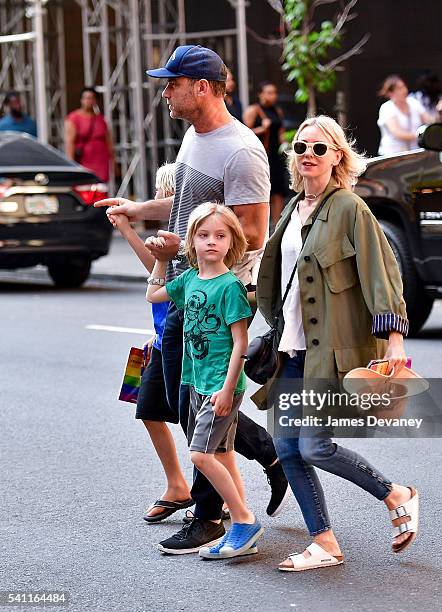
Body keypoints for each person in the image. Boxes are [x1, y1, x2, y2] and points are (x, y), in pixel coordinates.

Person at [95, 45, 290, 554]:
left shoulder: (241, 150)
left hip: (216, 294)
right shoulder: (193, 138)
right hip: (182, 287)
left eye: (171, 83)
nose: (164, 91)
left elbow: (252, 228)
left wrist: (184, 244)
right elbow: (184, 204)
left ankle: (213, 516)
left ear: (201, 87)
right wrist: (139, 210)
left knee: (197, 407)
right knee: (172, 402)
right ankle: (255, 469)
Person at [252, 115, 419, 572]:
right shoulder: (291, 210)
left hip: (328, 351)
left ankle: (396, 494)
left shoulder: (349, 208)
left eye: (320, 149)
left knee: (314, 446)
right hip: (289, 350)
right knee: (287, 450)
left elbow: (382, 275)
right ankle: (324, 541)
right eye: (302, 147)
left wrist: (394, 341)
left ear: (338, 157)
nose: (309, 154)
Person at [147, 202, 264, 559]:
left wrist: (228, 389)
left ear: (232, 242)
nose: (211, 242)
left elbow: (241, 342)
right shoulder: (189, 280)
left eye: (220, 235)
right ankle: (240, 524)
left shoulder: (230, 287)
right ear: (192, 243)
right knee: (223, 453)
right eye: (203, 235)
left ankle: (244, 521)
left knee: (200, 453)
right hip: (195, 381)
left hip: (220, 386)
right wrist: (163, 260)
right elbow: (154, 295)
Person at [107, 163, 193, 522]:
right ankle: (177, 485)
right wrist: (128, 230)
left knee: (199, 418)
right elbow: (153, 271)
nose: (159, 199)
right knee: (146, 407)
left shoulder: (189, 241)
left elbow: (161, 281)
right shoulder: (166, 241)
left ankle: (256, 466)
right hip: (160, 337)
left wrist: (132, 232)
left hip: (184, 338)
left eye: (164, 193)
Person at [243, 81, 287, 225]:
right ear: (260, 94)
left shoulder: (277, 111)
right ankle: (262, 225)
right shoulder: (254, 110)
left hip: (276, 156)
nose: (272, 96)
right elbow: (243, 134)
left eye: (274, 93)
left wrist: (286, 146)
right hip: (261, 156)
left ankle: (276, 224)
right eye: (268, 92)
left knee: (278, 191)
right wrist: (261, 129)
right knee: (264, 190)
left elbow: (281, 132)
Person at [64, 87, 114, 182]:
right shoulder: (74, 118)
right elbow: (70, 143)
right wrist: (71, 165)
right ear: (81, 100)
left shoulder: (101, 119)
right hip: (83, 161)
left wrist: (113, 162)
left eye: (91, 98)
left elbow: (109, 142)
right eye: (86, 98)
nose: (89, 101)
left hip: (101, 162)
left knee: (101, 188)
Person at [377, 74, 435, 155]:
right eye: (400, 88)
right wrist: (421, 136)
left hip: (414, 153)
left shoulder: (414, 103)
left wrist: (439, 113)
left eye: (404, 86)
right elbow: (397, 133)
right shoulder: (387, 108)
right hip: (393, 155)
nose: (404, 90)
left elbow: (429, 121)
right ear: (391, 93)